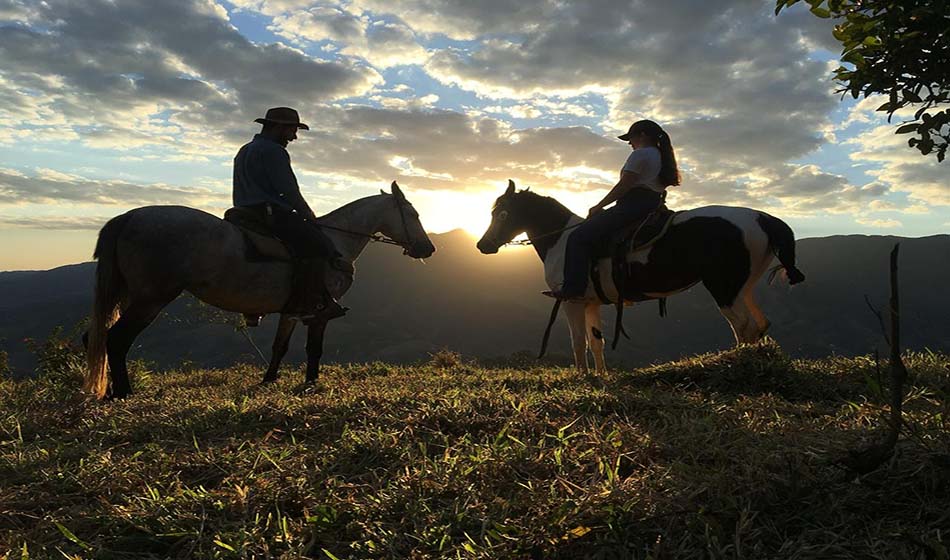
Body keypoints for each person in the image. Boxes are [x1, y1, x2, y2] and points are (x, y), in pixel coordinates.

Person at [232, 107, 346, 323]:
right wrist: (308, 215)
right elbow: (288, 190)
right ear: (278, 127)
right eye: (292, 130)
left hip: (243, 212)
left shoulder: (245, 149)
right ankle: (308, 304)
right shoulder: (275, 151)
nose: (294, 137)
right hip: (270, 213)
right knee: (320, 246)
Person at [549, 119, 681, 300]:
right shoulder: (660, 155)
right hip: (652, 204)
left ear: (642, 135)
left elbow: (624, 185)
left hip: (633, 205)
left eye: (631, 139)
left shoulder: (640, 154)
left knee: (578, 237)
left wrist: (599, 205)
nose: (630, 144)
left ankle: (574, 289)